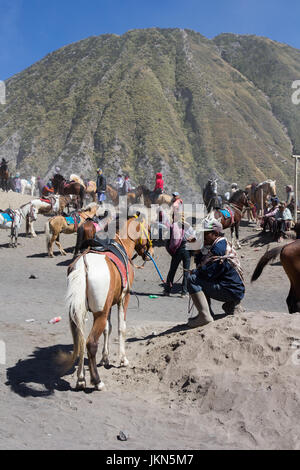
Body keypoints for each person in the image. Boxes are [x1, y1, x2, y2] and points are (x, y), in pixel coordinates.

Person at [187, 218, 245, 328]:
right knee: (198, 277)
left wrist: (195, 270)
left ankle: (204, 316)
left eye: (205, 233)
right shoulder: (220, 244)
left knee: (192, 279)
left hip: (231, 290)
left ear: (215, 233)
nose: (202, 236)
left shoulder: (218, 249)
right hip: (234, 289)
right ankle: (228, 306)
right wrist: (198, 250)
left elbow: (207, 274)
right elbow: (206, 268)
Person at [164, 213, 196, 298]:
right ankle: (184, 292)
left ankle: (167, 290)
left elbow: (168, 241)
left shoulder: (172, 226)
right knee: (186, 271)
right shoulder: (188, 227)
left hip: (176, 250)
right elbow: (194, 238)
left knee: (172, 270)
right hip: (186, 250)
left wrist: (171, 251)